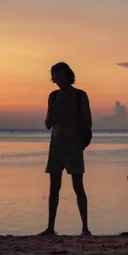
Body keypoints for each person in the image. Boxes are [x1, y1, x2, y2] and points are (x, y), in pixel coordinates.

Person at [39, 62, 92, 236]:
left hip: (73, 144)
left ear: (69, 76)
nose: (58, 80)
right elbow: (47, 124)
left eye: (61, 76)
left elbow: (87, 123)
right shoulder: (53, 96)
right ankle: (50, 228)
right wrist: (53, 115)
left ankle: (85, 228)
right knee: (54, 187)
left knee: (78, 186)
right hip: (56, 144)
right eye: (55, 77)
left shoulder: (80, 96)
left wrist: (69, 113)